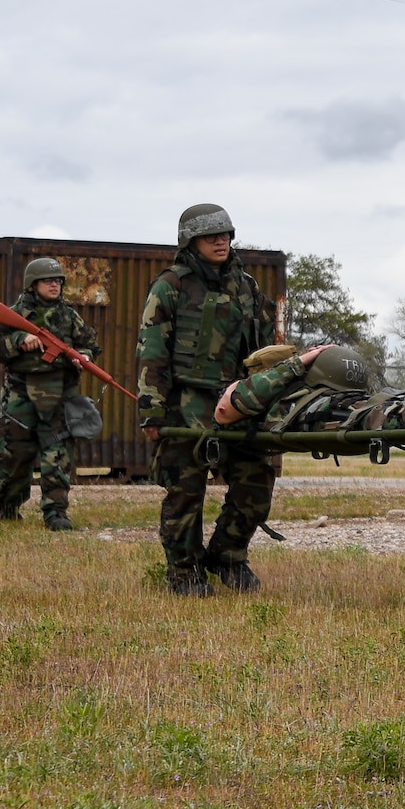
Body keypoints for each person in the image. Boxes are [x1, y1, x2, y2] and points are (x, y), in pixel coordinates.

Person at [137, 204, 279, 597]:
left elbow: (265, 351)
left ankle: (227, 557)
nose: (221, 241)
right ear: (189, 241)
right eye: (211, 235)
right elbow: (152, 349)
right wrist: (151, 410)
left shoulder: (247, 286)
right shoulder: (171, 285)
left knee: (257, 479)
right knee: (185, 491)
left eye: (226, 234)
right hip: (185, 404)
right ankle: (183, 573)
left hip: (238, 403)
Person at [0, 257, 101, 531]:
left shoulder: (69, 316)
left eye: (58, 280)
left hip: (59, 394)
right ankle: (9, 506)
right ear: (32, 284)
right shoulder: (15, 314)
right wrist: (19, 340)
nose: (55, 284)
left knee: (57, 454)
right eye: (48, 280)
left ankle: (56, 513)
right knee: (14, 454)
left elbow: (90, 345)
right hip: (20, 394)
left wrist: (82, 357)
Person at [215, 344, 405, 433]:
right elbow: (228, 408)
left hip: (336, 400)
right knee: (362, 412)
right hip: (323, 411)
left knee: (386, 398)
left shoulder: (301, 389)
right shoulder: (259, 393)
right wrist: (300, 362)